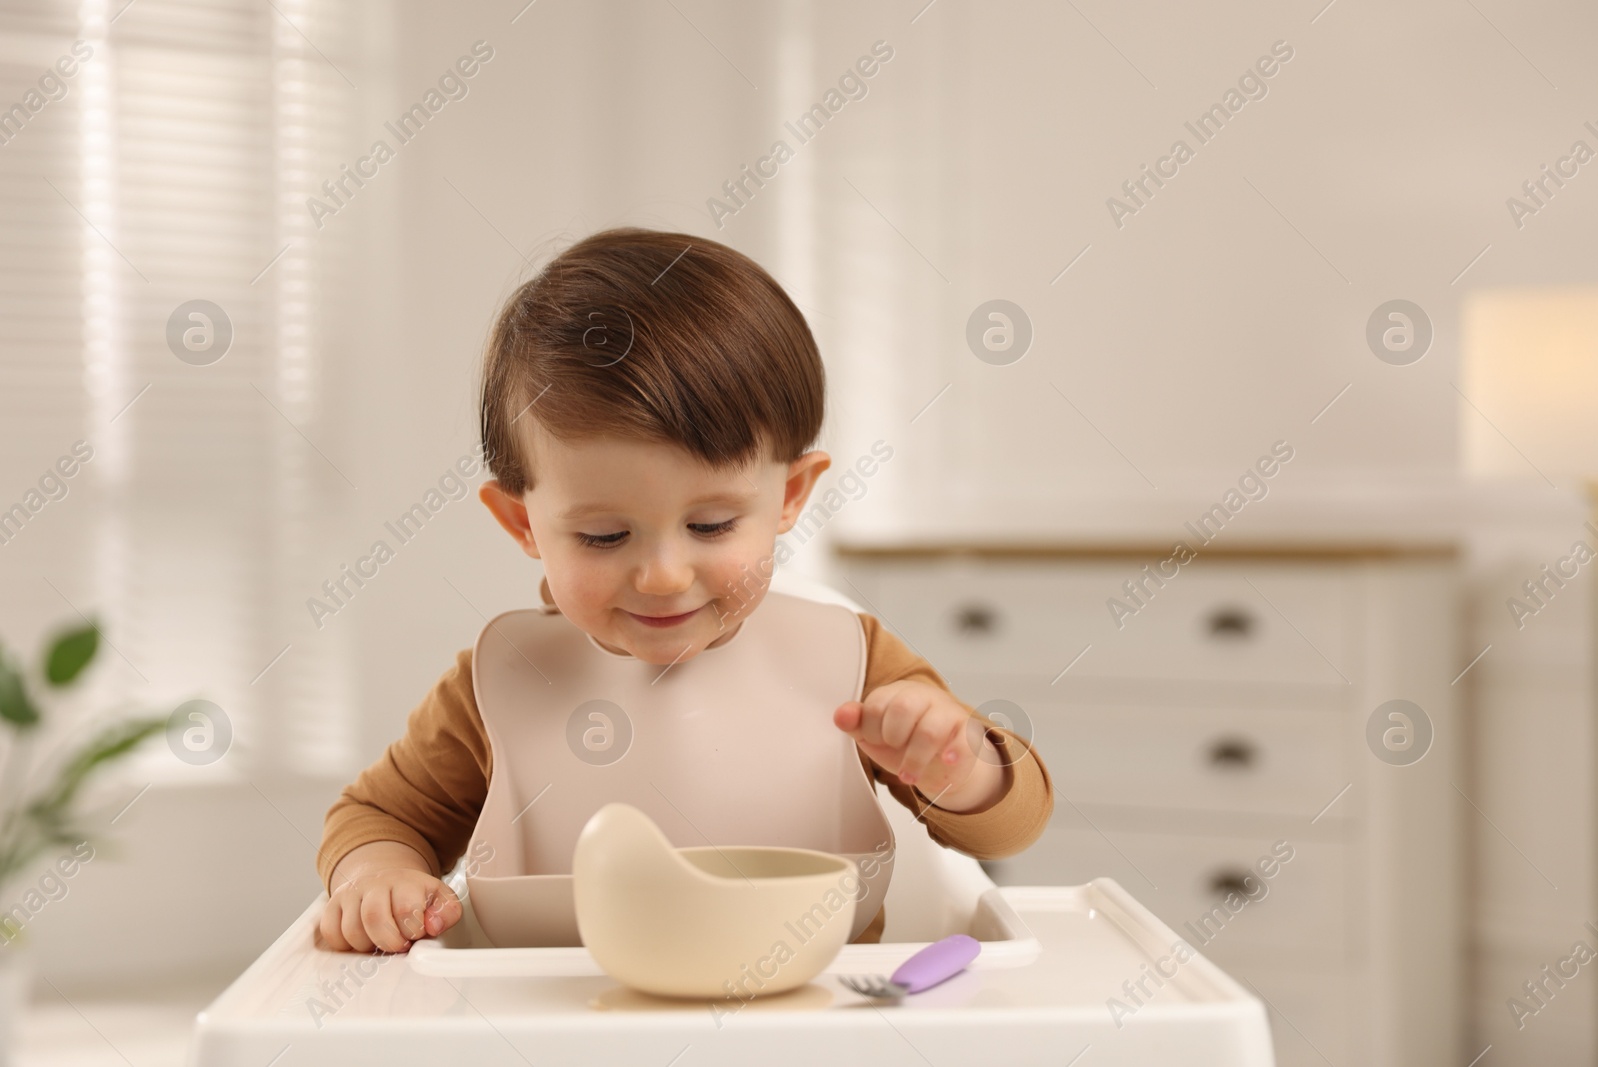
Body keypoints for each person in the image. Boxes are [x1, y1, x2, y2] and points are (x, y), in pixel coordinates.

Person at [316, 227, 1054, 954]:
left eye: (711, 523)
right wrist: (378, 874)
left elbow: (1010, 825)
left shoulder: (848, 659)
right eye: (605, 537)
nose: (664, 574)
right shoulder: (499, 684)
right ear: (523, 522)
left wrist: (961, 765)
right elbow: (379, 814)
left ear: (790, 495)